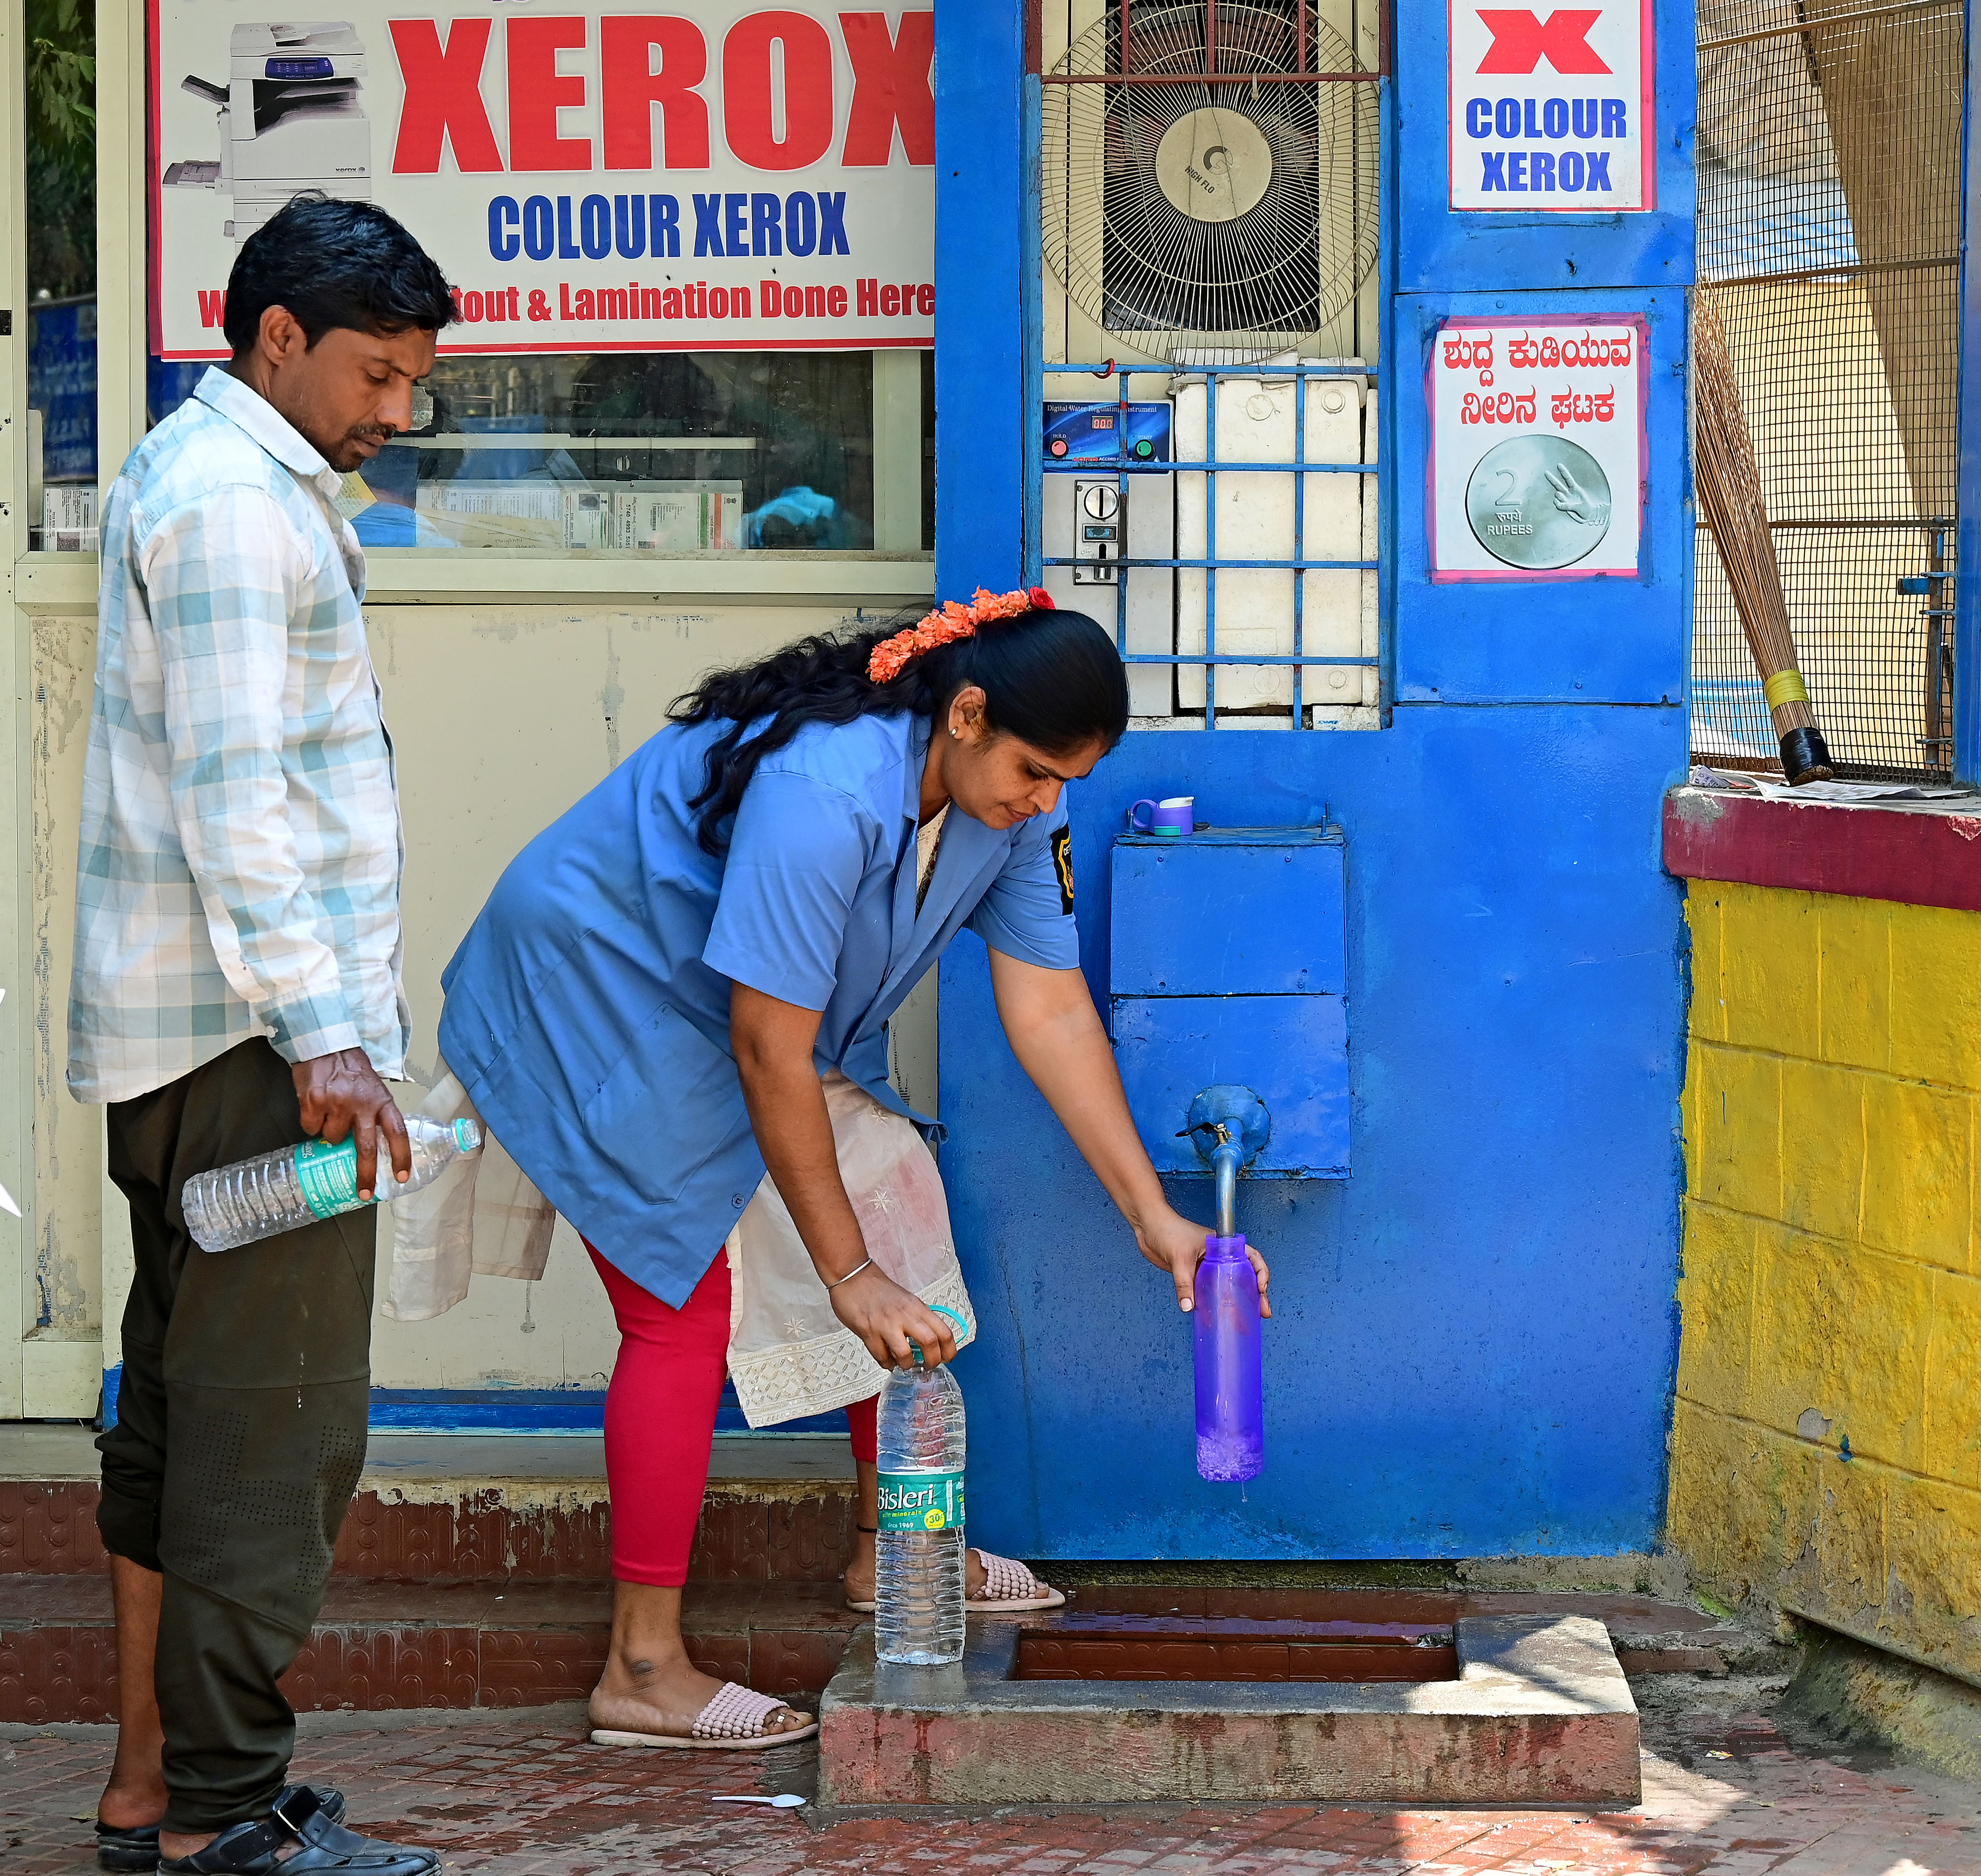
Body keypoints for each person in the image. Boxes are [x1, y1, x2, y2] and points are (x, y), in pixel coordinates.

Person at [435, 587, 1272, 1748]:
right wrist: (844, 1273)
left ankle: (897, 1547)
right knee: (681, 1297)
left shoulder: (1015, 811)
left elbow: (1050, 1007)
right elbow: (766, 1043)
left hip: (742, 1012)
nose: (1049, 800)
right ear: (967, 712)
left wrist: (1153, 1210)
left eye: (1068, 780)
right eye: (1037, 769)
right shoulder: (827, 791)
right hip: (600, 989)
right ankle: (641, 1663)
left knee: (898, 1189)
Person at [67, 195, 454, 1876]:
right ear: (275, 337)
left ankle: (152, 1791)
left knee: (177, 1414)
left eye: (415, 378)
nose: (400, 413)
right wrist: (331, 1039)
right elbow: (243, 803)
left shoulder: (203, 474)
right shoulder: (240, 507)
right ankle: (224, 1819)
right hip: (252, 1053)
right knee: (270, 1434)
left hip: (186, 1043)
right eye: (376, 373)